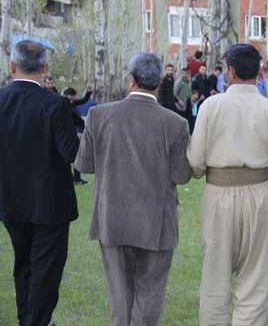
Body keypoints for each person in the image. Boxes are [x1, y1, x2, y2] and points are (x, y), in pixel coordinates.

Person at [75, 52, 193, 326]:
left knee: (121, 297)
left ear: (130, 80)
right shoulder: (176, 123)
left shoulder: (98, 115)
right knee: (150, 295)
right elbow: (181, 175)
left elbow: (83, 163)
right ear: (161, 80)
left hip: (112, 218)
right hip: (157, 221)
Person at [187, 43, 268, 325]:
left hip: (218, 196)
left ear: (231, 71)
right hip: (259, 197)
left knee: (215, 278)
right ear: (260, 72)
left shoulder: (210, 106)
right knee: (255, 280)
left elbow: (196, 166)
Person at [0, 40, 80, 326]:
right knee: (45, 271)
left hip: (10, 199)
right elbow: (72, 153)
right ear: (46, 68)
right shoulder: (56, 104)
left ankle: (29, 320)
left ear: (12, 67)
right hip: (50, 205)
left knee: (24, 265)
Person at [61, 84, 93, 186]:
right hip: (67, 132)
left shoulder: (71, 102)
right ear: (66, 96)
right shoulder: (61, 104)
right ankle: (73, 178)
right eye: (70, 98)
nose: (72, 101)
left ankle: (77, 178)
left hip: (75, 130)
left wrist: (88, 91)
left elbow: (83, 100)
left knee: (77, 154)